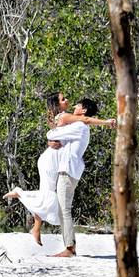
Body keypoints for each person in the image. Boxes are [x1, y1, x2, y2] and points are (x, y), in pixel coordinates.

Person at [4, 92, 114, 247]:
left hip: (56, 159)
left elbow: (60, 135)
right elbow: (86, 120)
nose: (69, 101)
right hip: (51, 161)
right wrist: (106, 122)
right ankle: (21, 196)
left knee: (50, 197)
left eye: (71, 100)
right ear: (57, 104)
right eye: (63, 99)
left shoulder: (63, 118)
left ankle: (35, 227)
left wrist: (51, 140)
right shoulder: (65, 117)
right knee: (49, 197)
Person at [46, 96, 109, 257]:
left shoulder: (80, 126)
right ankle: (69, 246)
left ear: (84, 110)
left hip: (68, 170)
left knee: (64, 209)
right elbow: (55, 137)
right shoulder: (79, 126)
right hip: (68, 169)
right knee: (62, 209)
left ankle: (69, 248)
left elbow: (52, 133)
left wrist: (52, 136)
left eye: (78, 105)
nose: (74, 106)